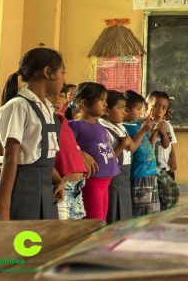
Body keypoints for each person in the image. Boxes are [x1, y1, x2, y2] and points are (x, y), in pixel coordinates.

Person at [0, 48, 65, 220]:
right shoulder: (19, 105)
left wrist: (57, 179)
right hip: (24, 190)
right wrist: (4, 207)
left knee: (45, 243)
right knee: (25, 243)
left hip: (47, 190)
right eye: (62, 73)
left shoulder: (47, 107)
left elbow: (40, 154)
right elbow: (12, 157)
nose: (64, 79)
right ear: (48, 72)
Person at [69, 82, 121, 220]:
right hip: (92, 183)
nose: (105, 104)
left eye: (105, 100)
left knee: (101, 220)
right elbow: (67, 147)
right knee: (94, 222)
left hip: (106, 182)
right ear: (84, 103)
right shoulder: (75, 125)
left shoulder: (98, 123)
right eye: (101, 100)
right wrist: (81, 153)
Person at [48, 92, 92, 220]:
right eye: (50, 95)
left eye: (61, 96)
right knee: (63, 231)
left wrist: (81, 154)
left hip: (76, 186)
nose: (57, 100)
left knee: (76, 231)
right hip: (61, 186)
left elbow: (70, 146)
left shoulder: (61, 119)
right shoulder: (46, 123)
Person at [123, 90, 160, 216]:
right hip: (139, 174)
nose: (141, 113)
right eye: (138, 109)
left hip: (150, 172)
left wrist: (154, 131)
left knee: (151, 210)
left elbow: (148, 145)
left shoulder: (137, 124)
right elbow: (132, 148)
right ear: (126, 110)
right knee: (141, 211)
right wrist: (143, 130)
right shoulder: (124, 127)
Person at [99, 90, 133, 223]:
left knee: (124, 209)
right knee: (114, 210)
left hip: (124, 173)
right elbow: (106, 159)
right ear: (107, 110)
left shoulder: (120, 126)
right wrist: (122, 145)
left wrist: (127, 144)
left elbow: (131, 146)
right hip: (114, 176)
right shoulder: (103, 129)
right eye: (120, 108)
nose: (124, 112)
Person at [147, 90, 179, 210]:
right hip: (150, 168)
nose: (159, 110)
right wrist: (155, 131)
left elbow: (167, 145)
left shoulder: (167, 125)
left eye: (163, 108)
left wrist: (173, 158)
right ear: (147, 106)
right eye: (155, 106)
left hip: (165, 167)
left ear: (166, 110)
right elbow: (146, 146)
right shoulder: (144, 125)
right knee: (153, 198)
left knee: (168, 196)